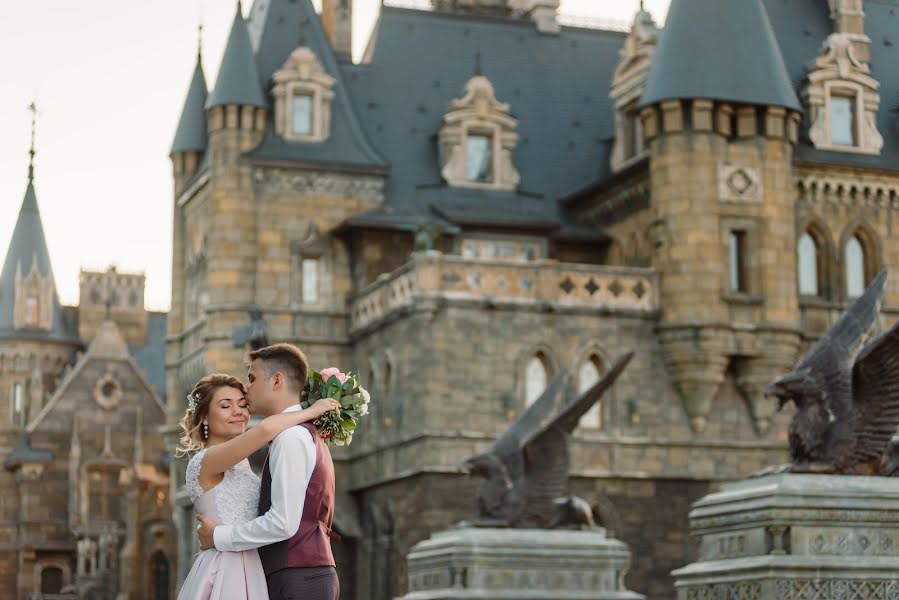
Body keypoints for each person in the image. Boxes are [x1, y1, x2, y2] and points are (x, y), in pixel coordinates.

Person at [176, 373, 339, 600]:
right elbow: (265, 430)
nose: (238, 412)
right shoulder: (206, 461)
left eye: (243, 405)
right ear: (204, 416)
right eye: (226, 406)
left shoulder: (241, 463)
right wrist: (312, 411)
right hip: (225, 567)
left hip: (254, 566)